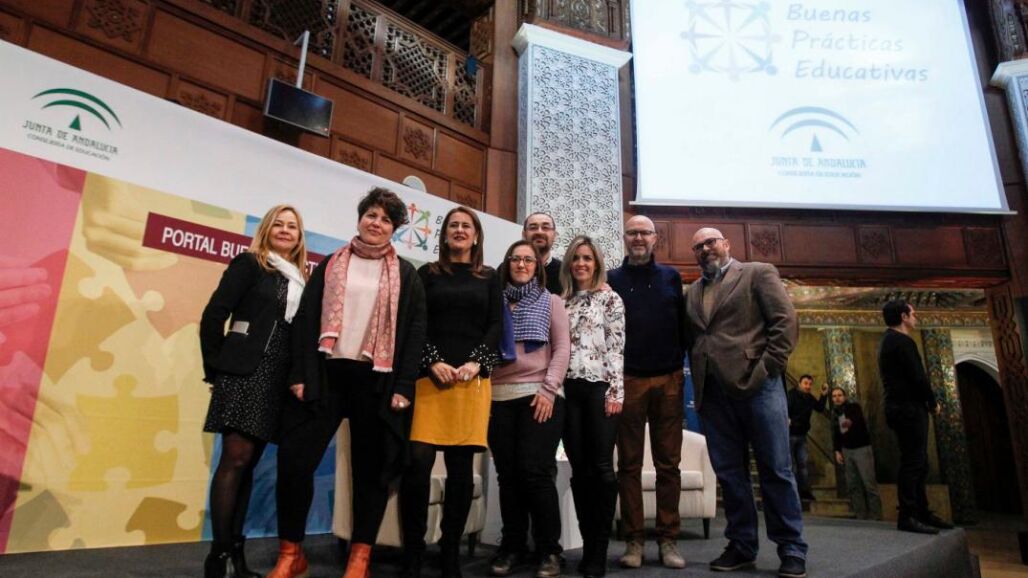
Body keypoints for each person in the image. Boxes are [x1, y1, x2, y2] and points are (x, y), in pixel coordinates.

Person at [268, 188, 427, 578]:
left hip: (377, 381)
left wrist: (404, 386)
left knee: (371, 471)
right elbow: (305, 320)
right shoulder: (332, 263)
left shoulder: (406, 274)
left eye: (386, 219)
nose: (376, 223)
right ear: (360, 218)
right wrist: (299, 374)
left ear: (394, 228)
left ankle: (360, 557)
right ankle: (291, 552)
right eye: (371, 215)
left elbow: (415, 332)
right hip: (327, 375)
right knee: (294, 460)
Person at [684, 227, 807, 578]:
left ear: (726, 244)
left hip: (759, 387)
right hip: (713, 395)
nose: (705, 248)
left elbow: (785, 322)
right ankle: (741, 545)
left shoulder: (757, 273)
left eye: (710, 242)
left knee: (776, 470)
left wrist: (767, 369)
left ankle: (792, 549)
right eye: (698, 246)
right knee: (730, 474)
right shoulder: (692, 292)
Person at [199, 205, 308, 578]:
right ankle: (218, 558)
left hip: (277, 380)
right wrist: (217, 368)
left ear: (300, 237)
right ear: (266, 229)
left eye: (292, 226)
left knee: (247, 468)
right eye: (278, 224)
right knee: (235, 461)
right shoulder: (249, 264)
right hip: (245, 373)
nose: (285, 230)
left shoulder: (300, 279)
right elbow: (214, 315)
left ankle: (236, 555)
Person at [400, 206, 502, 578]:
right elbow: (416, 322)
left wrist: (476, 362)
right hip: (430, 381)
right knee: (417, 467)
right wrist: (432, 361)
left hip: (470, 383)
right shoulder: (426, 273)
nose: (459, 230)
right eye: (453, 225)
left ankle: (449, 553)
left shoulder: (490, 276)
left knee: (461, 473)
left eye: (466, 226)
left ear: (476, 236)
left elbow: (496, 325)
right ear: (444, 235)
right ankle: (413, 552)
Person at [607, 215, 687, 570]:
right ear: (624, 238)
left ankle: (668, 540)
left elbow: (683, 325)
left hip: (669, 379)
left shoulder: (671, 277)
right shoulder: (611, 279)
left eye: (644, 232)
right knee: (629, 465)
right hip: (628, 380)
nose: (638, 237)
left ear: (655, 238)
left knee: (669, 465)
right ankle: (634, 541)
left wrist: (678, 369)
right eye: (632, 232)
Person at [487, 240, 571, 578]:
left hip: (540, 394)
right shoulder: (494, 301)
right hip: (497, 396)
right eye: (515, 259)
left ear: (537, 267)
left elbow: (562, 349)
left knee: (535, 473)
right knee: (507, 476)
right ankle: (513, 546)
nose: (521, 264)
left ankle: (549, 550)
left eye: (528, 260)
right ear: (507, 264)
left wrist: (549, 389)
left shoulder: (552, 301)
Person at [559, 236, 625, 578]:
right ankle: (587, 546)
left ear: (596, 263)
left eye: (587, 258)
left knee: (602, 469)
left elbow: (616, 348)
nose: (581, 263)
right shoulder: (561, 301)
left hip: (601, 390)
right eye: (576, 258)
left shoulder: (611, 299)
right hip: (568, 392)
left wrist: (616, 393)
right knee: (580, 471)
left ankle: (599, 549)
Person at [877, 299, 953, 534]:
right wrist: (931, 401)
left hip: (900, 407)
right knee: (913, 462)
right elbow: (917, 376)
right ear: (903, 316)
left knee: (919, 461)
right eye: (913, 313)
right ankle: (909, 515)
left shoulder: (888, 341)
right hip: (908, 408)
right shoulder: (902, 341)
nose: (915, 317)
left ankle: (921, 511)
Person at [828, 387, 882, 520]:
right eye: (834, 396)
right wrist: (837, 451)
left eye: (839, 395)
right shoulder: (834, 413)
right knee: (853, 484)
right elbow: (836, 434)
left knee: (869, 483)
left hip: (861, 448)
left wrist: (848, 422)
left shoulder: (853, 407)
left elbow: (854, 419)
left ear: (845, 396)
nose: (837, 398)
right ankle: (860, 515)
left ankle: (876, 516)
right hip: (847, 450)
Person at [786, 375, 828, 501]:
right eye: (805, 383)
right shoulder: (791, 395)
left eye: (810, 384)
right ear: (799, 383)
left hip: (802, 435)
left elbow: (819, 408)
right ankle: (793, 492)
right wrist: (787, 419)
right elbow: (784, 409)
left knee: (803, 465)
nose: (808, 386)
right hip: (790, 434)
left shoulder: (809, 398)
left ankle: (804, 491)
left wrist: (824, 394)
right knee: (792, 466)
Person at [523, 212, 563, 295]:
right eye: (533, 228)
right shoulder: (509, 268)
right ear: (524, 235)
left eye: (545, 227)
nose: (539, 232)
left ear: (555, 235)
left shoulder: (565, 272)